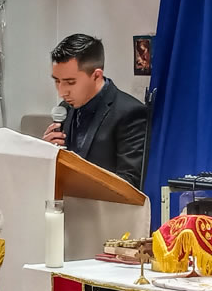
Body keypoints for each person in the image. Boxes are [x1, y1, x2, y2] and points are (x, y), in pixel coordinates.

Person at [42, 33, 149, 187]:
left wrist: (80, 184)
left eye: (70, 82)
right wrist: (46, 153)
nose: (61, 92)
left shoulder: (130, 112)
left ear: (96, 75)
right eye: (57, 81)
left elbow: (130, 182)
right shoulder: (64, 109)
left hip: (104, 202)